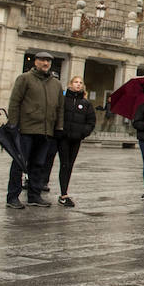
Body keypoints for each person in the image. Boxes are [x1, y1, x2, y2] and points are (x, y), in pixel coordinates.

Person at [7, 52, 64, 209]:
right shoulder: (25, 78)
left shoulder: (56, 84)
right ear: (36, 62)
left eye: (48, 61)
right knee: (19, 164)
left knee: (39, 164)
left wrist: (59, 127)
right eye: (42, 60)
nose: (45, 63)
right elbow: (15, 102)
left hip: (46, 131)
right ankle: (12, 196)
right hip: (26, 128)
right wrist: (13, 124)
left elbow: (60, 108)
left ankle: (34, 195)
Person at [55, 76, 96, 207]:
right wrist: (59, 130)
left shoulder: (85, 103)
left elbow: (91, 121)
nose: (78, 85)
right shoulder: (63, 100)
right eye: (76, 82)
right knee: (64, 164)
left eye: (80, 83)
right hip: (63, 137)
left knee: (70, 164)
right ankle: (63, 193)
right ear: (70, 84)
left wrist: (83, 132)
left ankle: (64, 192)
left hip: (76, 138)